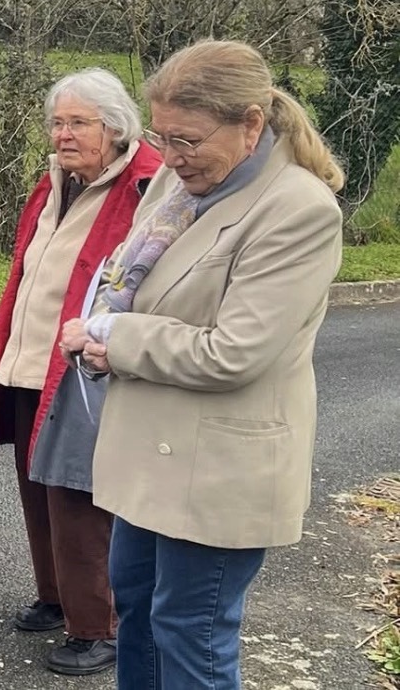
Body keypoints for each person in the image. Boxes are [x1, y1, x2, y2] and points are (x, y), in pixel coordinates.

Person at [61, 40, 345, 689]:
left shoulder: (297, 210)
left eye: (187, 139)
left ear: (249, 123)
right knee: (136, 609)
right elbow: (128, 271)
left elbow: (232, 352)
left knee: (190, 630)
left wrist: (118, 335)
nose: (172, 157)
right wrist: (105, 322)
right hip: (147, 456)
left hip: (218, 470)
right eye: (162, 137)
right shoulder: (176, 178)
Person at [0, 68, 162, 676]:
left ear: (115, 126)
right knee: (37, 490)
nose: (63, 135)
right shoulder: (53, 183)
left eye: (78, 123)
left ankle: (96, 626)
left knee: (78, 498)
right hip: (28, 363)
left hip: (83, 369)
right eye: (57, 122)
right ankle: (55, 598)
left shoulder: (145, 187)